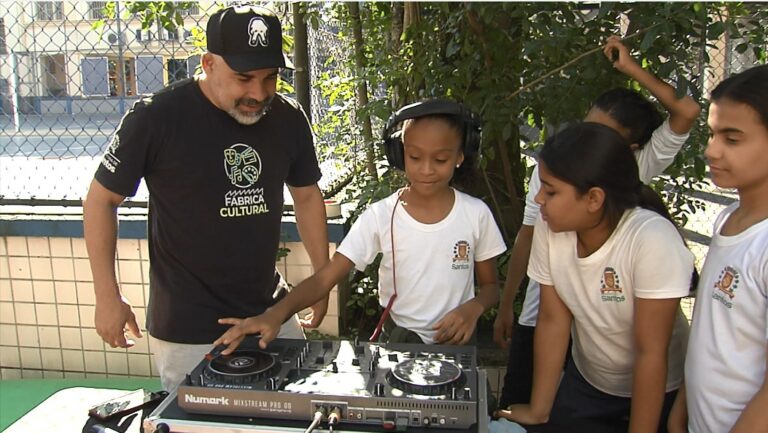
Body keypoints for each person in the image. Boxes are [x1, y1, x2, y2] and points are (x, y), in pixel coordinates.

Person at [82, 5, 330, 391]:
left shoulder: (288, 117)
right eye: (243, 78)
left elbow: (308, 198)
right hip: (189, 326)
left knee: (292, 417)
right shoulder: (156, 117)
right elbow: (100, 201)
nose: (258, 93)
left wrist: (321, 278)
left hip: (272, 313)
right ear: (209, 63)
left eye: (270, 78)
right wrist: (107, 296)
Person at [494, 35, 701, 408]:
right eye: (586, 127)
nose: (587, 143)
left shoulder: (639, 181)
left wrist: (631, 69)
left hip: (600, 327)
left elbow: (686, 113)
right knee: (521, 398)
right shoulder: (554, 170)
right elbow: (529, 235)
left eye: (604, 137)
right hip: (546, 310)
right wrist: (507, 303)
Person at [213, 99, 507, 354]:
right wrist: (275, 314)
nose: (426, 169)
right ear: (398, 154)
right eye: (414, 157)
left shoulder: (475, 215)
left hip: (458, 346)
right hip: (400, 341)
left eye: (440, 159)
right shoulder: (380, 216)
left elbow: (490, 287)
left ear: (460, 156)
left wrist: (473, 309)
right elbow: (325, 277)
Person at [495, 122, 695, 432]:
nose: (538, 200)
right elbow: (552, 320)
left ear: (593, 199)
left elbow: (650, 352)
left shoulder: (651, 239)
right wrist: (539, 409)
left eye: (550, 191)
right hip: (589, 381)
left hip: (660, 388)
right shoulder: (551, 231)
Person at [667, 64, 768, 433]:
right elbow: (712, 334)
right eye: (711, 134)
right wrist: (682, 411)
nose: (711, 150)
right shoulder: (727, 218)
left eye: (732, 138)